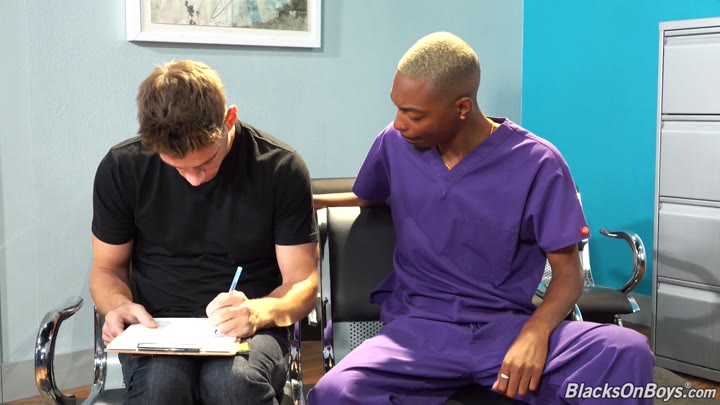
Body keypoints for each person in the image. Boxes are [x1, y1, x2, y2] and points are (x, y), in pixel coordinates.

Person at [308, 32, 654, 404]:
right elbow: (366, 195)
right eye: (397, 108)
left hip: (506, 329)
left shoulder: (539, 163)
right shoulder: (394, 144)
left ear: (462, 107)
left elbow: (568, 274)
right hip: (418, 333)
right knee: (334, 391)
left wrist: (536, 332)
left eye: (413, 114)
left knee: (626, 351)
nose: (399, 123)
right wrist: (304, 202)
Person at [89, 60, 319, 404]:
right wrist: (118, 305)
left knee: (231, 382)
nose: (194, 179)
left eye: (205, 163)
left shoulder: (280, 168)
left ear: (229, 119)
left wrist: (257, 313)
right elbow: (107, 269)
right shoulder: (123, 167)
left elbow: (302, 282)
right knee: (161, 386)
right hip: (156, 326)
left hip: (253, 326)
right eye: (178, 168)